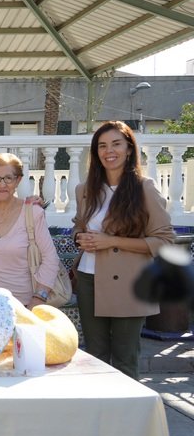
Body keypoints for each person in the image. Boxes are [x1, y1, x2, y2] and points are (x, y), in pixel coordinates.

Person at [72, 121, 174, 379]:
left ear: (129, 149)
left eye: (116, 144)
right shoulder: (84, 190)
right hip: (89, 278)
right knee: (94, 354)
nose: (109, 151)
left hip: (130, 282)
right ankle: (99, 413)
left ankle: (128, 417)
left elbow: (164, 240)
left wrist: (112, 241)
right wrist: (79, 238)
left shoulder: (144, 188)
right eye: (102, 146)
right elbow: (78, 226)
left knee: (125, 358)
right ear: (96, 153)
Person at [0, 153, 60, 309]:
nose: (2, 184)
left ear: (18, 180)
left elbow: (50, 259)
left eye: (8, 178)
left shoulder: (33, 213)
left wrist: (39, 298)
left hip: (22, 305)